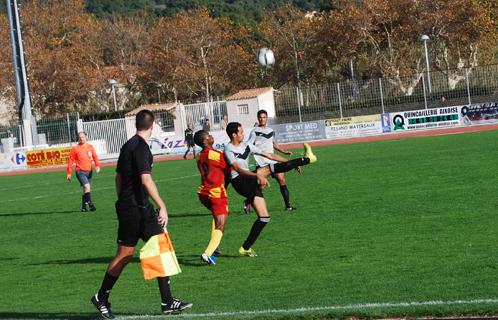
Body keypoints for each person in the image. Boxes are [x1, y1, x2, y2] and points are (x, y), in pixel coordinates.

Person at [90, 110, 192, 319]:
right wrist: (162, 206)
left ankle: (167, 301)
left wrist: (123, 200)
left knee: (160, 247)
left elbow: (118, 178)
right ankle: (101, 297)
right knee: (125, 255)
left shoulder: (128, 145)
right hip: (135, 210)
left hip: (136, 208)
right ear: (152, 125)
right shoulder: (142, 148)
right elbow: (146, 180)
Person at [224, 122, 316, 257]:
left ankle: (245, 248)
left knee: (264, 218)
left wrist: (288, 163)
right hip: (239, 181)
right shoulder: (228, 149)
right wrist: (258, 176)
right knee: (271, 168)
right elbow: (238, 169)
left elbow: (270, 156)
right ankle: (308, 159)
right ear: (233, 135)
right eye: (241, 132)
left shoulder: (246, 145)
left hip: (249, 180)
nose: (243, 134)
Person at [248, 109, 297, 212]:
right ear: (258, 118)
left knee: (282, 179)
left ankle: (288, 206)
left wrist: (283, 151)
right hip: (261, 161)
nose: (262, 119)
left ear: (267, 118)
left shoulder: (271, 131)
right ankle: (248, 202)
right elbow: (249, 145)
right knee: (261, 186)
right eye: (260, 117)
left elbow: (273, 143)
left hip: (272, 160)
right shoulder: (254, 132)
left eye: (264, 117)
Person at [193, 130, 229, 265]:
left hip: (203, 193)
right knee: (221, 223)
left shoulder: (198, 155)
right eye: (209, 135)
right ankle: (207, 253)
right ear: (204, 141)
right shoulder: (216, 154)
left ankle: (215, 246)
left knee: (217, 215)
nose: (211, 136)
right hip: (216, 193)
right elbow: (227, 167)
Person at [66, 131, 100, 212]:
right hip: (80, 171)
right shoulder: (75, 149)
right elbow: (70, 161)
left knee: (86, 190)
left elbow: (95, 157)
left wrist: (97, 165)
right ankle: (91, 205)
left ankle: (83, 207)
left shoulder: (90, 147)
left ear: (86, 137)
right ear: (78, 138)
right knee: (87, 186)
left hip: (89, 171)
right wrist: (69, 173)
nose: (81, 139)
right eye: (80, 137)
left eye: (83, 137)